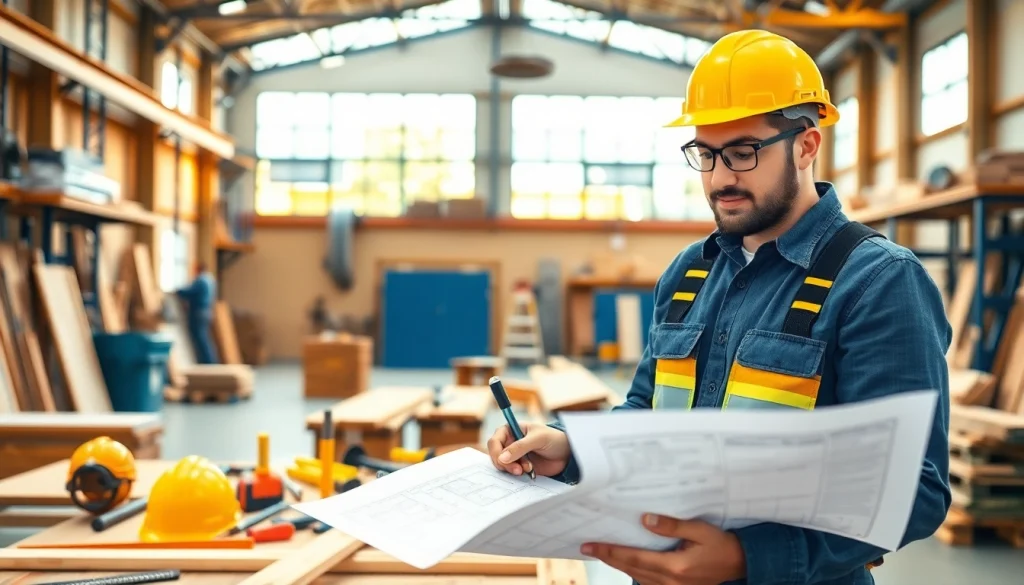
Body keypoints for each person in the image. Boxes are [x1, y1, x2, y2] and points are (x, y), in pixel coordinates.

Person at [486, 29, 951, 585]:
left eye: (743, 152)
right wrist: (571, 450)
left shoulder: (877, 282)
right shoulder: (689, 273)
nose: (719, 178)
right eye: (705, 154)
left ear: (806, 144)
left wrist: (748, 559)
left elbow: (918, 490)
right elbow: (645, 415)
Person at [176, 261, 219, 364]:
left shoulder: (201, 280)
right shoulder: (210, 280)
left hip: (198, 312)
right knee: (204, 338)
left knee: (201, 339)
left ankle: (208, 362)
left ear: (198, 269)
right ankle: (209, 361)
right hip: (206, 311)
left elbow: (190, 292)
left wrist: (177, 291)